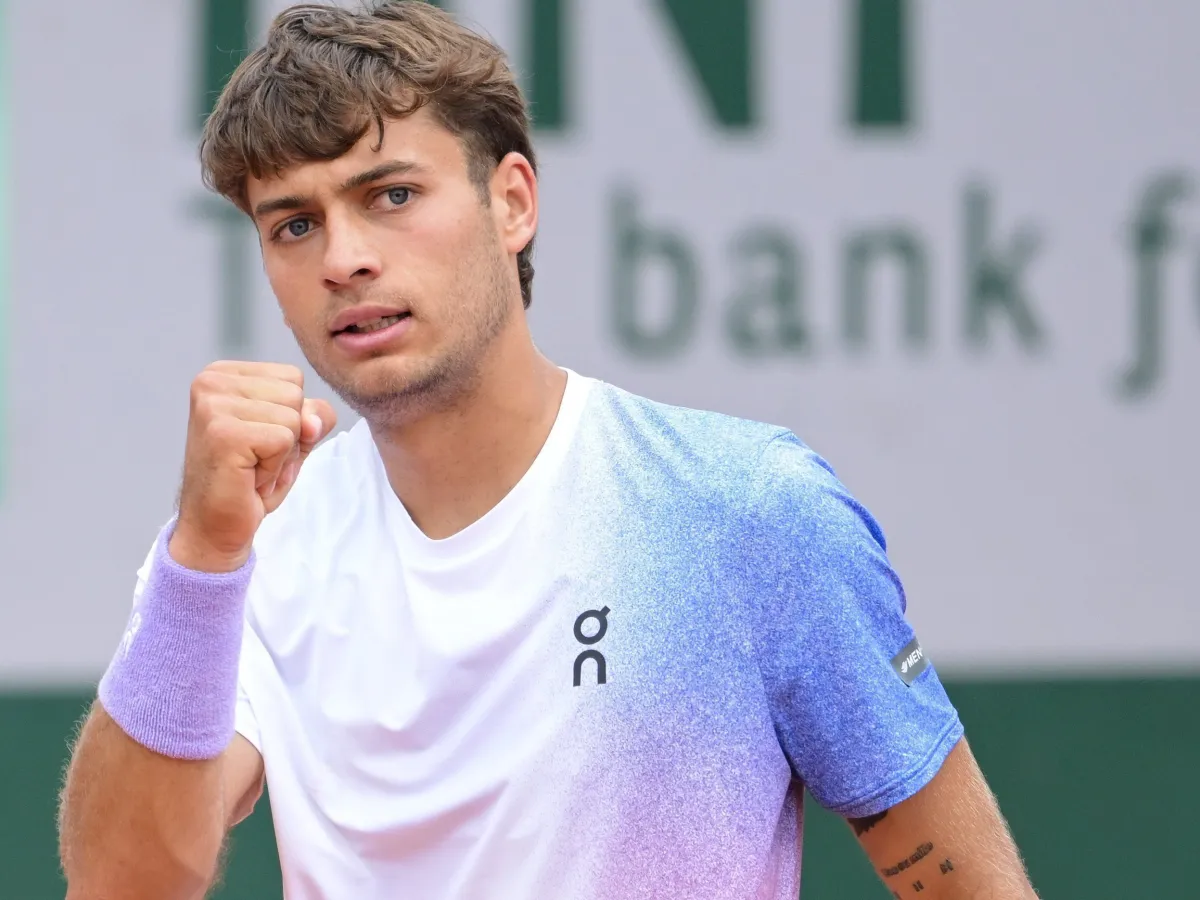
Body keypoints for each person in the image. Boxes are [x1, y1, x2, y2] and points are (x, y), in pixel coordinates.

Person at [57, 3, 1039, 898]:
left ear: (513, 202)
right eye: (295, 225)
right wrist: (201, 557)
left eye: (390, 195)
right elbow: (123, 884)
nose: (344, 258)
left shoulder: (743, 509)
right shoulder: (244, 552)